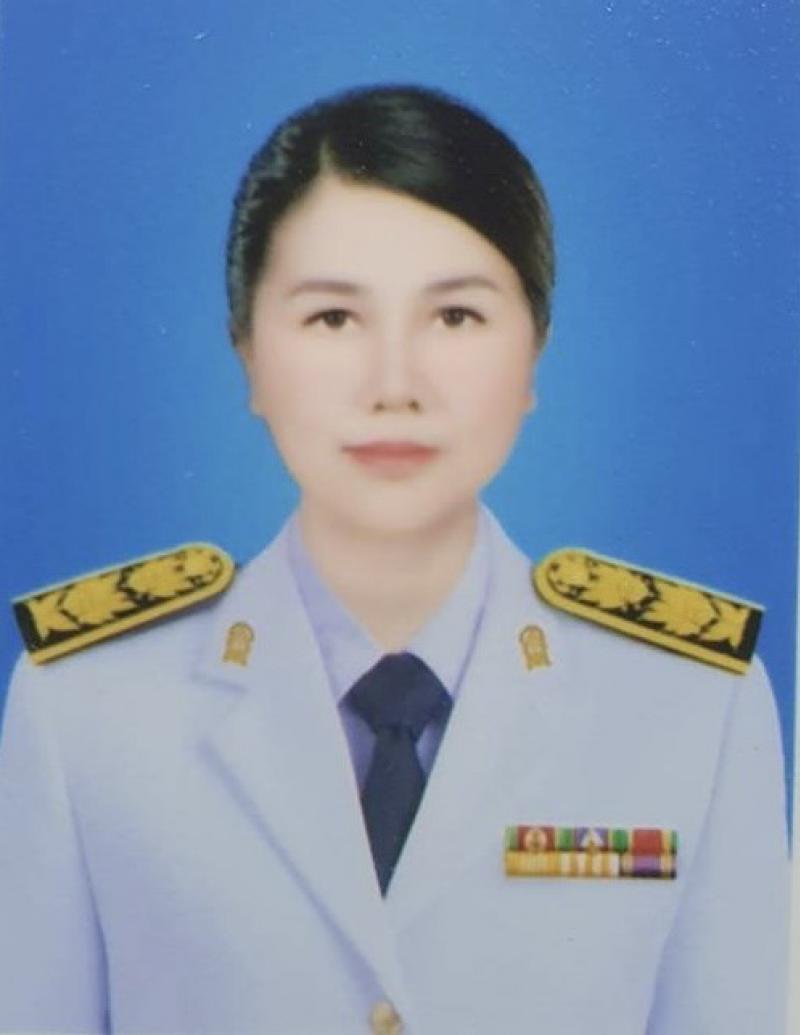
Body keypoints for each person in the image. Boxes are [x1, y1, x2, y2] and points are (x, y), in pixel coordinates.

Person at [0, 85, 788, 1035]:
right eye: (334, 318)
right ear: (246, 350)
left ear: (535, 351)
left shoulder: (693, 708)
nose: (394, 385)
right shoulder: (88, 704)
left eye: (454, 317)